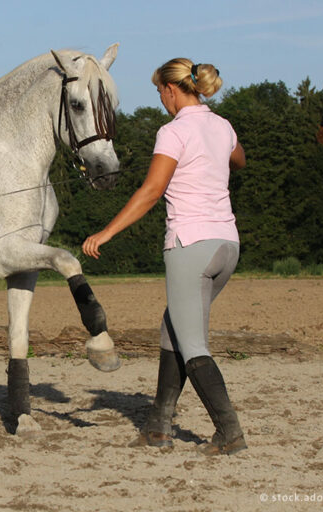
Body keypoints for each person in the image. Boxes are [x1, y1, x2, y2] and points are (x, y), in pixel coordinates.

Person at [82, 57, 247, 456]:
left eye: (159, 92)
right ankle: (158, 426)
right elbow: (238, 159)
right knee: (173, 331)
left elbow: (151, 192)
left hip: (191, 246)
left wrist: (105, 233)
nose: (160, 100)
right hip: (227, 245)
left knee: (192, 346)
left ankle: (230, 434)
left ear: (172, 89)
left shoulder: (172, 131)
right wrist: (208, 156)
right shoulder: (220, 125)